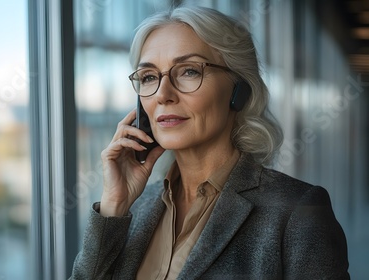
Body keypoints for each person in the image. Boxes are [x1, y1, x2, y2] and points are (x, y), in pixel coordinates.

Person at [70, 5, 349, 280]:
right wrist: (114, 207)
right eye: (149, 77)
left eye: (189, 71)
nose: (163, 95)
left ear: (238, 90)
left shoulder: (297, 213)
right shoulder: (135, 209)